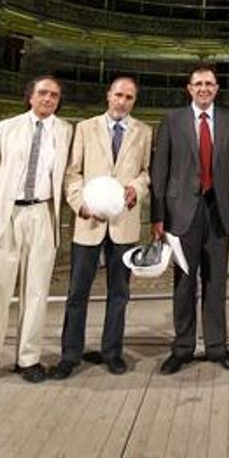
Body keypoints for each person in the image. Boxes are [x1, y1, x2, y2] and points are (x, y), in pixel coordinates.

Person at [49, 77, 151, 379]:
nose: (122, 101)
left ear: (134, 101)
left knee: (119, 293)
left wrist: (136, 189)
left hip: (124, 223)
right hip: (88, 222)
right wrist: (80, 204)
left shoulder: (144, 131)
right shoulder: (85, 128)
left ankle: (112, 352)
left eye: (129, 97)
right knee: (77, 292)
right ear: (108, 95)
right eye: (118, 95)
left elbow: (146, 173)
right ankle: (70, 355)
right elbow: (73, 173)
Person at [151, 63, 229, 374]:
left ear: (216, 89)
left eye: (209, 84)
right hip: (181, 214)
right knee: (184, 283)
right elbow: (160, 170)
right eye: (199, 84)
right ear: (189, 88)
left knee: (216, 283)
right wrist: (158, 216)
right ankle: (182, 348)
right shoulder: (172, 119)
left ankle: (217, 347)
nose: (204, 88)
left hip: (219, 211)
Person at [0, 75, 72, 383]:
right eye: (43, 92)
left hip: (43, 212)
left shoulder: (66, 131)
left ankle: (28, 359)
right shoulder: (6, 128)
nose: (48, 98)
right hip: (7, 213)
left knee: (37, 290)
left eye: (54, 95)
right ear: (30, 96)